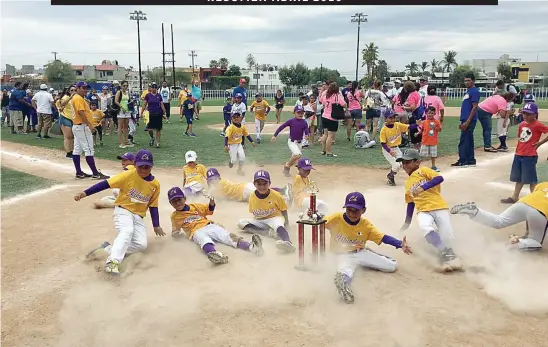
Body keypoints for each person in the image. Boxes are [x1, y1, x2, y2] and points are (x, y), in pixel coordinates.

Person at [77, 149, 165, 275]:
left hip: (138, 216)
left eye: (147, 167)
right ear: (135, 165)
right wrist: (85, 193)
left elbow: (153, 205)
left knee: (141, 245)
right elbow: (106, 184)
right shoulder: (128, 175)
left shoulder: (155, 184)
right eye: (141, 167)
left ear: (152, 166)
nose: (144, 170)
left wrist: (156, 225)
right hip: (123, 210)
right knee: (127, 231)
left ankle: (107, 249)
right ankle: (112, 262)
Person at [328, 192, 412, 304]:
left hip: (360, 252)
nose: (352, 214)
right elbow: (318, 222)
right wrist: (313, 215)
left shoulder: (366, 225)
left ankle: (373, 255)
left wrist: (400, 244)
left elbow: (383, 237)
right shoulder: (336, 218)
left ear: (363, 210)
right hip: (342, 255)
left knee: (392, 266)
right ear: (345, 208)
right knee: (344, 271)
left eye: (356, 210)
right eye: (349, 209)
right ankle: (343, 286)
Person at [397, 149, 462, 272]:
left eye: (407, 162)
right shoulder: (408, 183)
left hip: (439, 207)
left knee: (448, 237)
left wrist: (423, 187)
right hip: (423, 210)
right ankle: (444, 251)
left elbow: (439, 178)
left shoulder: (423, 171)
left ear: (417, 162)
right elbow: (410, 203)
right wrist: (407, 222)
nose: (404, 166)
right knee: (425, 227)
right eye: (403, 163)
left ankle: (445, 249)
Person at [169, 186, 264, 265]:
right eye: (174, 201)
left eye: (179, 199)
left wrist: (212, 200)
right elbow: (175, 230)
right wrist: (176, 234)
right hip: (195, 232)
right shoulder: (174, 217)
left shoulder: (195, 206)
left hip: (209, 226)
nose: (177, 203)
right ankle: (216, 255)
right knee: (204, 240)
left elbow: (209, 210)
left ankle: (252, 247)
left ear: (184, 198)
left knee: (228, 236)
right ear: (171, 203)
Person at [450, 182, 548, 251]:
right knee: (536, 243)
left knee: (499, 221)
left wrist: (528, 231)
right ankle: (515, 244)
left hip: (524, 203)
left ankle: (475, 211)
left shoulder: (544, 184)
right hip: (540, 212)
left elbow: (534, 204)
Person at [237, 170, 295, 253]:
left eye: (265, 183)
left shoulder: (276, 195)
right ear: (254, 184)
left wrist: (286, 223)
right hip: (260, 220)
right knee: (241, 223)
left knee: (279, 225)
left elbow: (283, 210)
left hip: (274, 218)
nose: (262, 186)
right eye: (259, 184)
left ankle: (288, 242)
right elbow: (253, 213)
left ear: (269, 183)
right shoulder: (252, 196)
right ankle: (269, 233)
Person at [500, 103, 548, 204]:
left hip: (529, 156)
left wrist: (540, 143)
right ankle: (515, 197)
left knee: (531, 180)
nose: (525, 116)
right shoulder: (522, 124)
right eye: (524, 113)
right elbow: (520, 139)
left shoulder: (537, 125)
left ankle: (536, 200)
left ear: (535, 114)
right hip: (519, 154)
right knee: (519, 177)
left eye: (528, 114)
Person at [70, 81, 109, 180]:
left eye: (86, 88)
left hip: (77, 126)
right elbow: (81, 113)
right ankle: (95, 173)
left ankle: (79, 172)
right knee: (89, 149)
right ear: (77, 88)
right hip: (82, 126)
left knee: (77, 150)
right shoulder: (78, 98)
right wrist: (90, 125)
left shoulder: (78, 98)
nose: (85, 90)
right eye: (83, 88)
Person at [206, 168, 292, 204]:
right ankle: (283, 191)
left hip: (245, 191)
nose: (213, 181)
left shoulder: (220, 185)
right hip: (245, 189)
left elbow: (219, 199)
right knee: (264, 194)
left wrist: (209, 189)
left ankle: (284, 195)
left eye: (214, 179)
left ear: (219, 177)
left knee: (263, 194)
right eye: (211, 180)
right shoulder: (222, 182)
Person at [272, 105, 310, 177]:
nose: (300, 114)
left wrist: (307, 135)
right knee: (297, 155)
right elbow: (281, 127)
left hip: (300, 142)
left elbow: (306, 130)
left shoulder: (304, 122)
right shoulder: (291, 121)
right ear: (294, 113)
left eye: (302, 113)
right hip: (292, 142)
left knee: (295, 157)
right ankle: (287, 165)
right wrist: (275, 135)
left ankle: (287, 171)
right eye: (298, 113)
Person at [452, 73, 479, 168]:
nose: (466, 82)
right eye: (465, 80)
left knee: (464, 140)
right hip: (465, 119)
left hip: (469, 120)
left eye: (468, 80)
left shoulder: (474, 91)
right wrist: (462, 121)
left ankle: (463, 160)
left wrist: (467, 121)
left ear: (473, 81)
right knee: (468, 140)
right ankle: (470, 160)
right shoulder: (469, 91)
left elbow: (475, 107)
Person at [380, 108, 409, 186]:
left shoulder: (397, 125)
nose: (393, 119)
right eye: (390, 117)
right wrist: (389, 151)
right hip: (387, 149)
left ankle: (391, 175)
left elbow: (408, 127)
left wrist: (417, 125)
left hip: (396, 148)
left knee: (400, 164)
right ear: (386, 119)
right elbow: (383, 143)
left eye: (393, 117)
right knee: (396, 165)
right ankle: (391, 177)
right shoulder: (384, 130)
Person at [319, 82, 347, 157]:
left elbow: (321, 101)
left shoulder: (326, 95)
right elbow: (344, 104)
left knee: (325, 134)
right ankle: (329, 152)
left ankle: (323, 150)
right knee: (330, 136)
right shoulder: (337, 96)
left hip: (324, 116)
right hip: (332, 118)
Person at [141, 83, 167, 148]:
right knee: (150, 129)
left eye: (155, 88)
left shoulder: (159, 96)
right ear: (151, 88)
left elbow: (162, 104)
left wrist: (164, 113)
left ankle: (158, 143)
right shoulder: (148, 95)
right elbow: (144, 104)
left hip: (158, 113)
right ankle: (152, 137)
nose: (154, 89)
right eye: (153, 88)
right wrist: (141, 112)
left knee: (158, 129)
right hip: (150, 114)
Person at [419, 107, 442, 172]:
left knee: (433, 155)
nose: (430, 114)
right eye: (429, 113)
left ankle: (433, 166)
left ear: (434, 114)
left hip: (433, 141)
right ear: (426, 113)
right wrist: (418, 133)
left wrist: (435, 127)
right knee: (422, 155)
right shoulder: (424, 122)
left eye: (432, 113)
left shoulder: (436, 122)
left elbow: (440, 130)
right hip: (425, 141)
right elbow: (422, 129)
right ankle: (420, 166)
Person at [114, 81, 134, 149]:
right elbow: (116, 101)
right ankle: (120, 142)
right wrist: (121, 107)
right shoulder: (119, 92)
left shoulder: (127, 93)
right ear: (121, 86)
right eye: (124, 85)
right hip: (121, 111)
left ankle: (126, 141)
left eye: (126, 86)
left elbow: (128, 101)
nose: (125, 87)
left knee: (126, 127)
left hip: (127, 111)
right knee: (120, 127)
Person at [59, 86, 76, 159]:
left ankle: (72, 151)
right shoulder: (66, 97)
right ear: (69, 91)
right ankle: (68, 153)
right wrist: (70, 97)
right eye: (71, 90)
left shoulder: (77, 98)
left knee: (72, 136)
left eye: (75, 90)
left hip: (73, 119)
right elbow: (62, 104)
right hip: (65, 117)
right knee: (68, 136)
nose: (73, 91)